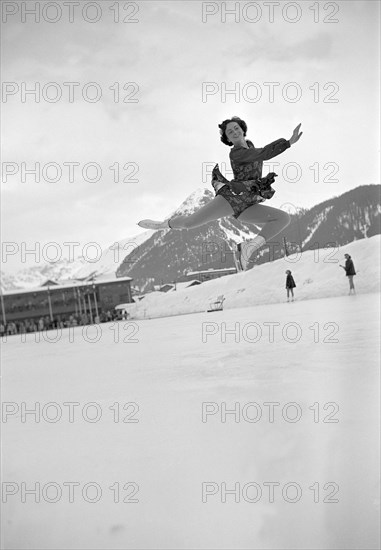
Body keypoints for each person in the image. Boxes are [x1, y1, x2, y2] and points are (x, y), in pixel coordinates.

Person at [138, 117, 303, 270]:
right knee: (190, 223)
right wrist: (288, 142)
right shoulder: (236, 152)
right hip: (232, 199)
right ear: (228, 139)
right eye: (230, 132)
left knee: (283, 218)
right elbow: (263, 154)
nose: (234, 132)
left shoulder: (250, 145)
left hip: (249, 202)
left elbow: (260, 154)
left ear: (243, 130)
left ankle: (249, 248)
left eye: (236, 128)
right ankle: (161, 225)